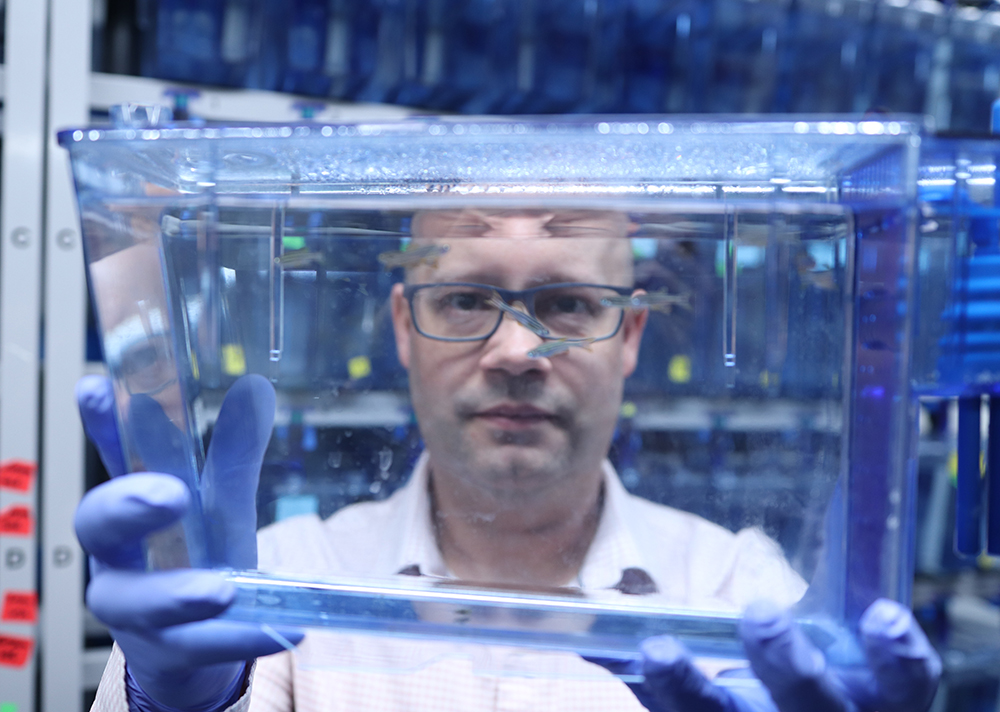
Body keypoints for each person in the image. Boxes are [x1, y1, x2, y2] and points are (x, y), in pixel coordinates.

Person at [76, 208, 941, 712]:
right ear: (402, 327)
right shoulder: (285, 581)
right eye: (464, 299)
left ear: (633, 335)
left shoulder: (741, 595)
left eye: (565, 301)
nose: (519, 349)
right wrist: (177, 705)